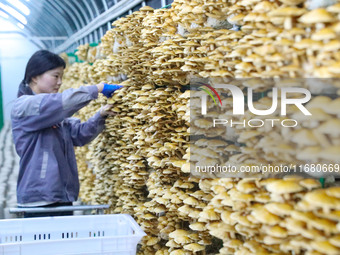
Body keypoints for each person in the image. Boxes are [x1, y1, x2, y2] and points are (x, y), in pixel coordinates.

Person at [11, 50, 122, 217]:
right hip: (39, 199)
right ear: (35, 77)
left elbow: (78, 135)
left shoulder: (52, 111)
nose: (60, 82)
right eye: (55, 76)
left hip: (61, 195)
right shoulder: (25, 106)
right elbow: (63, 102)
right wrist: (97, 89)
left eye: (61, 77)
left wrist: (100, 116)